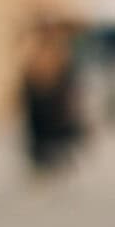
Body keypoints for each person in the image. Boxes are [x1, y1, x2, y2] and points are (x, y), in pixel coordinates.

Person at [18, 14, 78, 173]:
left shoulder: (58, 51)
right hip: (40, 99)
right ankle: (42, 161)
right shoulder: (38, 51)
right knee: (40, 134)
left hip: (52, 101)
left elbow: (64, 78)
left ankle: (53, 160)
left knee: (54, 134)